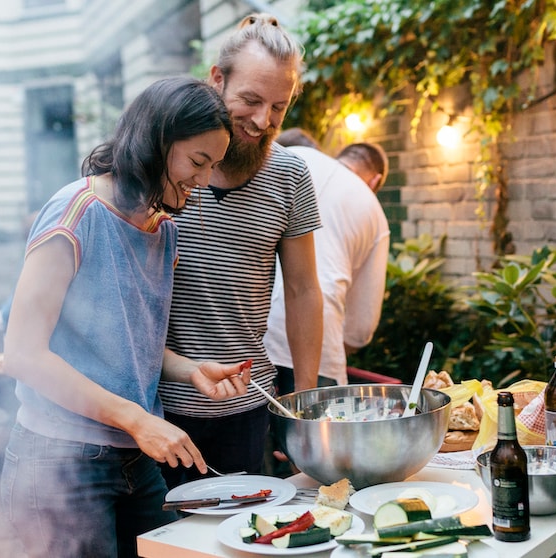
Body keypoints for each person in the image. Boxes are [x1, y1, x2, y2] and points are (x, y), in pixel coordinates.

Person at [0, 76, 248, 558]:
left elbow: (129, 341)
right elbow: (23, 354)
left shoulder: (164, 230)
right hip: (58, 461)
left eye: (213, 167)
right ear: (156, 141)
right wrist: (137, 419)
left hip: (135, 460)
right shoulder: (74, 213)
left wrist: (189, 369)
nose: (202, 181)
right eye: (198, 162)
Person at [158, 13, 324, 486]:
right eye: (250, 100)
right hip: (157, 404)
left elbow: (303, 290)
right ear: (217, 79)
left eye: (278, 107)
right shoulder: (168, 162)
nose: (262, 120)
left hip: (246, 404)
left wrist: (304, 403)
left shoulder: (291, 175)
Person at [266, 130, 391, 391]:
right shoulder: (372, 208)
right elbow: (360, 328)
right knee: (306, 430)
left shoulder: (291, 160)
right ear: (375, 181)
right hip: (319, 351)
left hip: (245, 333)